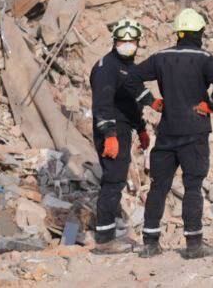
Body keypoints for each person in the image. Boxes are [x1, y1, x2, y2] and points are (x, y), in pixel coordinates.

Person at [130, 8, 213, 259]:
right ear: (199, 32)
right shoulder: (204, 58)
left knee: (158, 186)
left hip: (166, 133)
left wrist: (151, 101)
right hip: (195, 132)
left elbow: (131, 77)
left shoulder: (160, 57)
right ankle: (194, 245)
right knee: (193, 187)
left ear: (178, 33)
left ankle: (150, 243)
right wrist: (211, 105)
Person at [89, 18, 154, 254]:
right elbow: (102, 103)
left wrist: (142, 128)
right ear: (115, 41)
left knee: (116, 180)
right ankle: (104, 240)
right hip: (111, 131)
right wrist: (109, 134)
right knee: (113, 180)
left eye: (131, 41)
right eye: (122, 40)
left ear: (137, 42)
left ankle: (109, 232)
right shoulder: (107, 67)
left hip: (123, 130)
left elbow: (132, 102)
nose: (127, 44)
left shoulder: (130, 68)